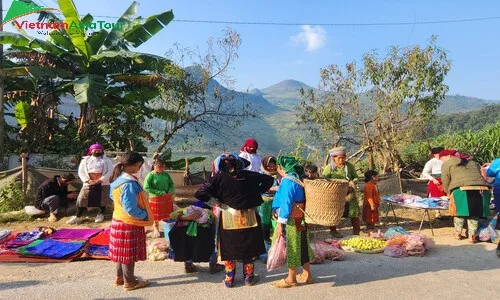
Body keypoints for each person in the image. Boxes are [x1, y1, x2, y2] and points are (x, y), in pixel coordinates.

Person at [195, 153, 274, 288]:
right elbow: (268, 180)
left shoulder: (218, 178)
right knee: (249, 247)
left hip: (228, 217)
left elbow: (200, 193)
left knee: (228, 249)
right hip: (249, 216)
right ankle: (248, 278)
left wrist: (217, 200)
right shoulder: (248, 175)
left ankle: (229, 279)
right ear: (239, 164)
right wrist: (256, 191)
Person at [109, 151, 153, 291]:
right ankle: (130, 282)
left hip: (118, 220)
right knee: (128, 254)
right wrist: (144, 215)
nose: (139, 168)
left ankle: (120, 277)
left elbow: (112, 197)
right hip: (129, 223)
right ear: (133, 165)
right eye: (139, 165)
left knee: (121, 253)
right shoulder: (129, 183)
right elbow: (130, 208)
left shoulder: (117, 179)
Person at [270, 156, 314, 288]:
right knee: (303, 245)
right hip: (300, 220)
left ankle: (291, 278)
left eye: (278, 167)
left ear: (281, 167)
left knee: (292, 247)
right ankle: (307, 275)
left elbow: (286, 203)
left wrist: (280, 224)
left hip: (291, 221)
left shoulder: (288, 181)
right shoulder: (297, 179)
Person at [439, 149, 491, 243]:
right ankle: (472, 237)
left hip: (461, 189)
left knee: (459, 212)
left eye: (441, 159)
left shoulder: (447, 163)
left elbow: (445, 179)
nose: (441, 161)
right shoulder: (473, 162)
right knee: (475, 213)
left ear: (448, 156)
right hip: (481, 189)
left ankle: (458, 234)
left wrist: (447, 191)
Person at [168, 201, 225, 274]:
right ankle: (213, 266)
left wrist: (185, 217)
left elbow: (172, 215)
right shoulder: (208, 211)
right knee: (214, 241)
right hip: (203, 234)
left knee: (188, 246)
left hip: (185, 234)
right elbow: (214, 221)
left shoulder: (185, 210)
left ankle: (188, 266)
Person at [67, 144, 114, 224]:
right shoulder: (85, 160)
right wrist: (87, 180)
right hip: (88, 183)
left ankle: (100, 214)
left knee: (103, 199)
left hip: (103, 183)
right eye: (95, 150)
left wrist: (101, 180)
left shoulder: (107, 160)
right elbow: (81, 171)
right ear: (91, 151)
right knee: (82, 199)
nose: (97, 151)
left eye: (99, 150)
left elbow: (110, 171)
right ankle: (78, 216)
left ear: (102, 151)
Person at [322, 146, 361, 237]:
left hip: (349, 193)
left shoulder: (349, 166)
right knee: (334, 213)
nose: (341, 159)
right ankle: (333, 231)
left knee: (353, 212)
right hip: (335, 194)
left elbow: (356, 177)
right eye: (339, 158)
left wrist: (353, 181)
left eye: (343, 157)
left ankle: (356, 232)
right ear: (333, 158)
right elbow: (324, 180)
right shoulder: (329, 168)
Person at [143, 158, 175, 238]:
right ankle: (156, 230)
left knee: (167, 215)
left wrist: (170, 190)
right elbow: (146, 187)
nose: (162, 169)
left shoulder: (166, 174)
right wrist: (159, 192)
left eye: (164, 167)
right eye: (160, 167)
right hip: (155, 199)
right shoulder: (150, 175)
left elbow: (171, 184)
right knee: (155, 217)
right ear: (154, 166)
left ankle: (167, 229)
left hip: (166, 199)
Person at [260, 156, 281, 244]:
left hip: (277, 199)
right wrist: (271, 189)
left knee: (276, 218)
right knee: (265, 219)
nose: (272, 168)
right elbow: (259, 187)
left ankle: (277, 236)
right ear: (265, 166)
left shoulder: (279, 174)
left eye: (273, 166)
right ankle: (266, 238)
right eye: (269, 166)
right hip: (265, 200)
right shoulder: (261, 174)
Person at [421, 147, 446, 218]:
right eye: (439, 154)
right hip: (436, 180)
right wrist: (433, 179)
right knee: (436, 196)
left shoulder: (446, 161)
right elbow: (425, 172)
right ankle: (437, 212)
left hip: (446, 179)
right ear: (434, 154)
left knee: (447, 195)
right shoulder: (431, 162)